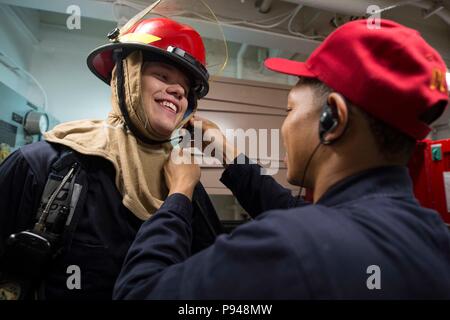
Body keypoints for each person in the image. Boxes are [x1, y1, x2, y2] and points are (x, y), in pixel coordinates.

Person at [113, 19, 450, 299]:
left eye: (289, 110)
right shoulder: (435, 239)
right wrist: (229, 156)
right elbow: (300, 213)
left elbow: (138, 294)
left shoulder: (285, 246)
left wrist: (179, 195)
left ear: (333, 119)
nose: (284, 125)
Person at [0, 17, 222, 300]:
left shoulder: (187, 183)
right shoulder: (42, 166)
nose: (179, 91)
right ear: (126, 78)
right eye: (164, 76)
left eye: (185, 89)